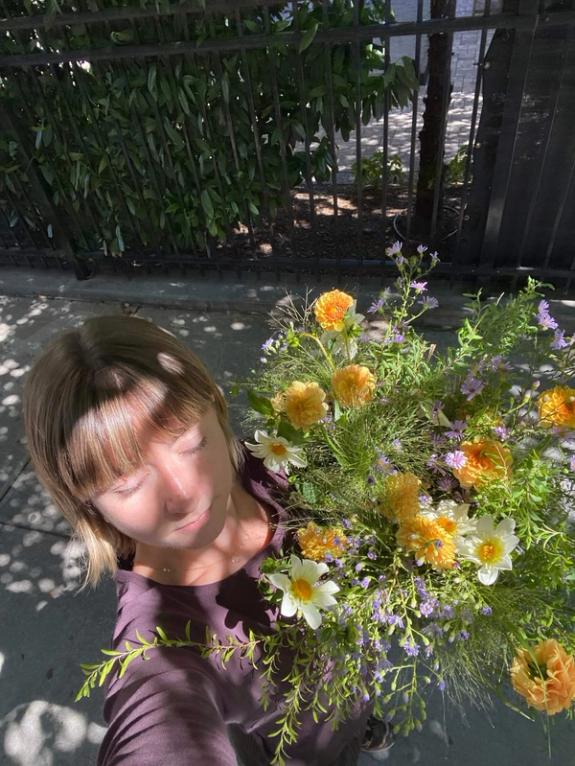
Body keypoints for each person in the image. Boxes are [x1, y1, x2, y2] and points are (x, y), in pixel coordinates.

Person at [22, 314, 392, 765]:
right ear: (85, 505)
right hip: (301, 751)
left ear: (217, 409)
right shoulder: (163, 641)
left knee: (359, 710)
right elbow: (159, 729)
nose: (184, 494)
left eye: (192, 443)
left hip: (359, 675)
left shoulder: (279, 463)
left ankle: (365, 725)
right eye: (127, 484)